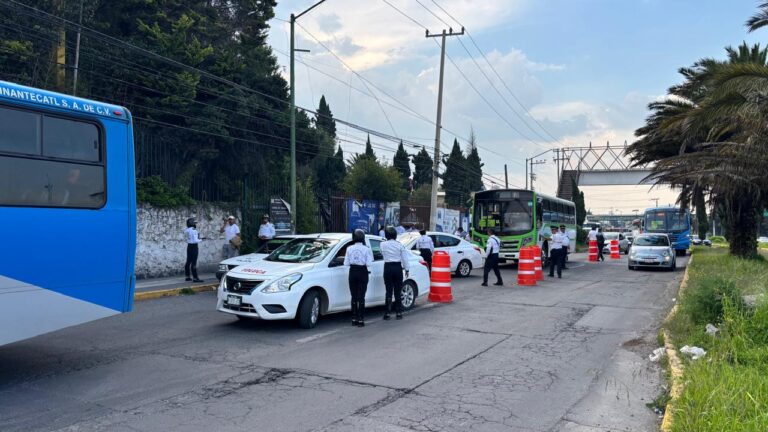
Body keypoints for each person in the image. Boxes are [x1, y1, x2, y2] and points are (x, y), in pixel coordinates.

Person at [344, 229, 373, 327]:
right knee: (361, 296)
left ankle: (353, 318)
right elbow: (369, 263)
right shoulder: (366, 249)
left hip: (352, 271)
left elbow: (346, 263)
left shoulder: (349, 248)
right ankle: (361, 319)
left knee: (353, 296)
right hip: (362, 272)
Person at [381, 226, 410, 320]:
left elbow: (382, 253)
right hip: (397, 268)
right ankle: (399, 313)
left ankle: (387, 313)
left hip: (388, 267)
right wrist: (407, 269)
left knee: (388, 291)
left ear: (386, 235)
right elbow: (405, 259)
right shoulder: (400, 245)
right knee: (398, 291)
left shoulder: (382, 244)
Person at [184, 218, 204, 283]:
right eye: (194, 223)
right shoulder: (194, 230)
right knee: (194, 262)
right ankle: (195, 278)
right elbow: (195, 240)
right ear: (192, 224)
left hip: (189, 246)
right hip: (194, 247)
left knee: (188, 261)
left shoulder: (186, 230)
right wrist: (202, 239)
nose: (195, 224)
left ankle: (187, 276)